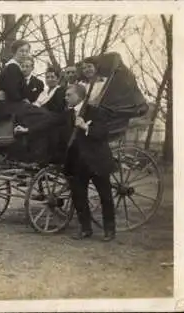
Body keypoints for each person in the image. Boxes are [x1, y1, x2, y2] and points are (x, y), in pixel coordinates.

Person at [62, 84, 116, 242]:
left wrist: (85, 126)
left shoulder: (96, 111)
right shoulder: (68, 114)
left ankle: (109, 230)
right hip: (77, 163)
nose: (66, 97)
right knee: (79, 197)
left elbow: (103, 133)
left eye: (68, 95)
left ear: (79, 96)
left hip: (97, 161)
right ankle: (85, 229)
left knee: (105, 196)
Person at [0, 39, 31, 164]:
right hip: (8, 108)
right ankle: (24, 156)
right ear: (15, 52)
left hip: (5, 107)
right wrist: (24, 100)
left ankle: (1, 155)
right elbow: (13, 92)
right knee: (40, 116)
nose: (24, 54)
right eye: (21, 51)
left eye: (26, 51)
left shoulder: (11, 67)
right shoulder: (13, 68)